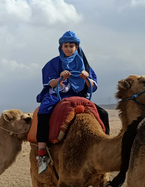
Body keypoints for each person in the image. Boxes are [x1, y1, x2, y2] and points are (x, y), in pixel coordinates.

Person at [35, 31, 108, 174]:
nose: (68, 48)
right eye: (66, 46)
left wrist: (86, 78)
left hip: (79, 97)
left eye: (71, 46)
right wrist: (60, 78)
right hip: (58, 96)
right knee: (43, 114)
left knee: (103, 114)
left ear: (77, 47)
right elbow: (51, 83)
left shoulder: (84, 65)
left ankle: (105, 145)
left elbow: (92, 86)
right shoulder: (53, 63)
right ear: (61, 48)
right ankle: (42, 154)